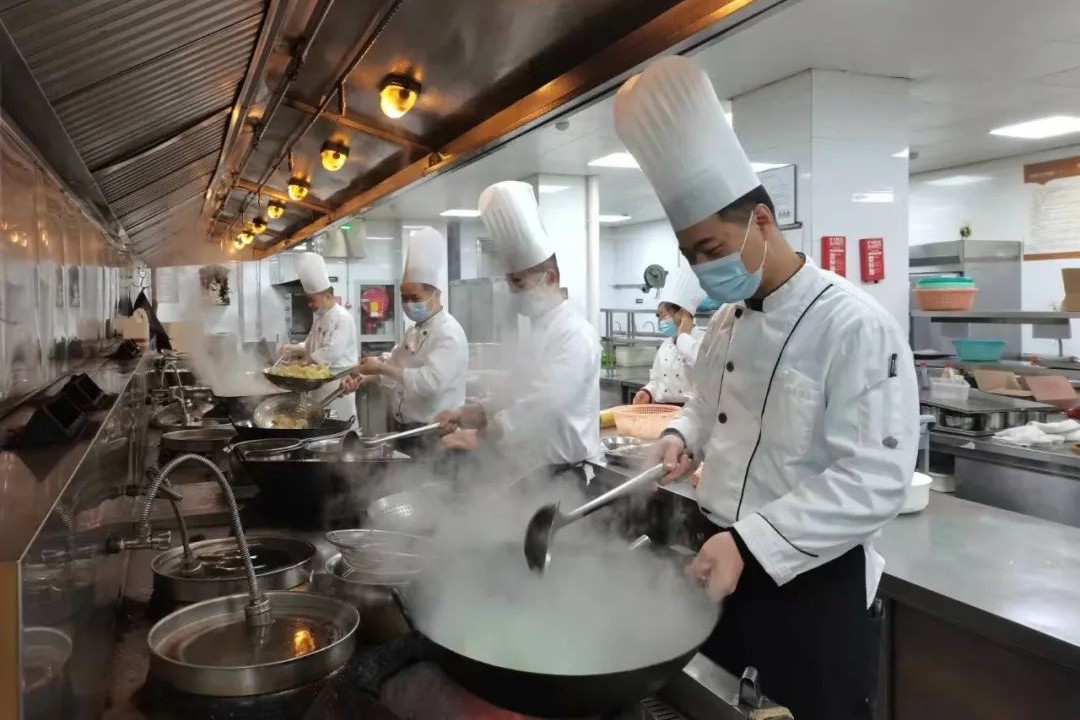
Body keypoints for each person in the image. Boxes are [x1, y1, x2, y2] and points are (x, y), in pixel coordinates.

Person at [614, 55, 918, 720]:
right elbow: (706, 404)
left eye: (710, 248)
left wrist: (751, 542)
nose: (703, 269)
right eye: (691, 255)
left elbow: (874, 479)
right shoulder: (726, 322)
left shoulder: (855, 325)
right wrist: (679, 435)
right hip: (720, 564)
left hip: (810, 588)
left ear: (761, 220)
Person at [436, 180, 604, 473]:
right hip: (534, 469)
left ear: (550, 278)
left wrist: (485, 435)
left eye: (518, 282)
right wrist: (474, 411)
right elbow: (518, 388)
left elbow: (548, 403)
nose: (513, 292)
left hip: (568, 473)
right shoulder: (537, 329)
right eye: (510, 282)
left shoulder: (574, 333)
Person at [341, 227, 468, 438]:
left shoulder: (448, 333)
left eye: (415, 298)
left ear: (437, 295)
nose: (409, 304)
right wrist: (365, 377)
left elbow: (429, 384)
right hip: (406, 429)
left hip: (433, 432)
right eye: (404, 297)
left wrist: (381, 367)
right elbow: (396, 366)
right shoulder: (413, 330)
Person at [281, 252, 358, 422]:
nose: (310, 305)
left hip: (338, 385)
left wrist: (305, 361)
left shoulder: (342, 318)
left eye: (312, 300)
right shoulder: (320, 318)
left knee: (337, 426)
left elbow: (333, 351)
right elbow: (312, 345)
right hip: (318, 385)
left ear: (328, 296)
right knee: (318, 426)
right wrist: (294, 348)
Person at [633, 264, 706, 405]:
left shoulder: (703, 340)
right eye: (658, 316)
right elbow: (656, 380)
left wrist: (683, 339)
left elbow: (706, 374)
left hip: (691, 411)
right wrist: (647, 392)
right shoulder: (666, 345)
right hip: (663, 409)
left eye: (663, 315)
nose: (661, 321)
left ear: (682, 313)